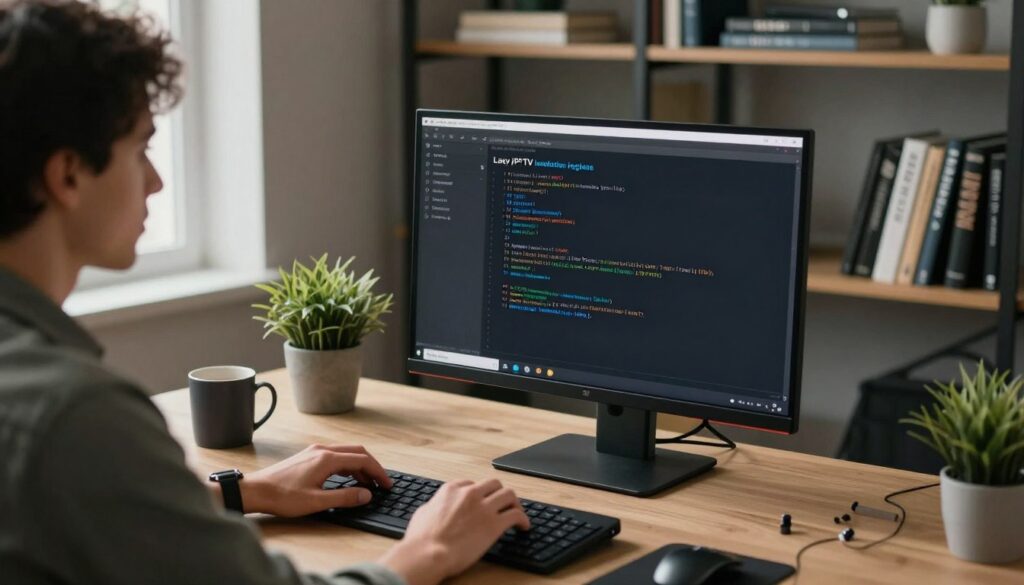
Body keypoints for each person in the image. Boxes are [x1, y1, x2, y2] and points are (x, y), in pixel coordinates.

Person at [0, 1, 529, 584]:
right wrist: (426, 549)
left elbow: (79, 513)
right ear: (68, 174)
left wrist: (242, 491)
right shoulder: (76, 416)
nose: (156, 180)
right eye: (141, 148)